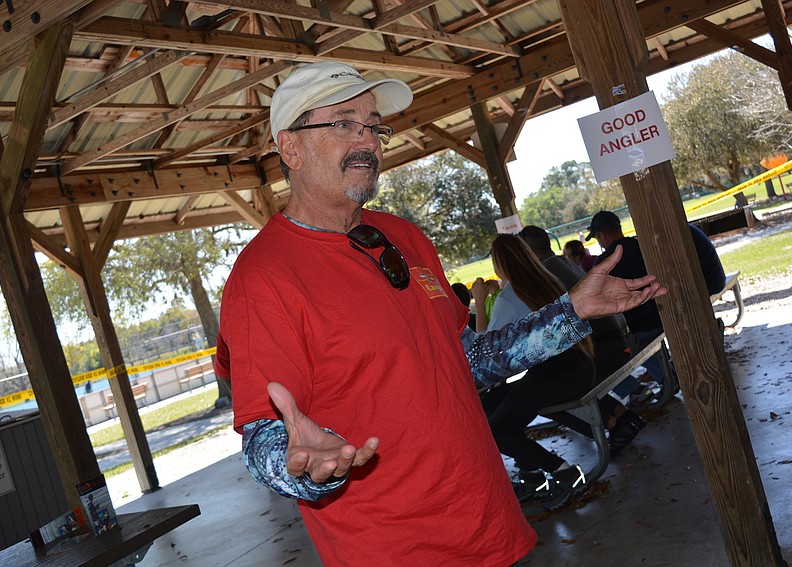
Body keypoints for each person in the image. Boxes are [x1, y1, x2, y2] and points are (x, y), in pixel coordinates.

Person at [219, 61, 666, 566]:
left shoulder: (403, 237)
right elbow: (264, 439)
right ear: (290, 146)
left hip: (488, 520)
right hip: (395, 548)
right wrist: (301, 466)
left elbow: (465, 360)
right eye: (344, 123)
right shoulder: (263, 278)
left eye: (373, 126)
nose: (367, 141)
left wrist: (570, 312)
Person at [473, 234, 593, 510]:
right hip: (578, 365)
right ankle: (531, 474)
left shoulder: (508, 297)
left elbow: (486, 356)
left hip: (556, 375)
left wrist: (479, 303)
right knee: (493, 402)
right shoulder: (545, 280)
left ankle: (564, 472)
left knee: (496, 430)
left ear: (498, 265)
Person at [520, 226, 645, 456]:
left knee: (544, 393)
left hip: (605, 348)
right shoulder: (562, 262)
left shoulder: (544, 274)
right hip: (618, 339)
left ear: (527, 253)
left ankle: (610, 426)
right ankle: (620, 415)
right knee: (561, 377)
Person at [586, 211, 725, 395]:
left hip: (642, 326)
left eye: (597, 238)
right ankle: (672, 369)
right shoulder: (640, 245)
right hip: (664, 310)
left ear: (602, 235)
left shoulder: (603, 262)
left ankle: (666, 378)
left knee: (626, 341)